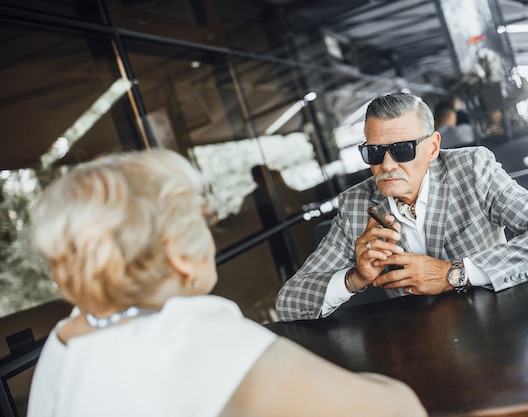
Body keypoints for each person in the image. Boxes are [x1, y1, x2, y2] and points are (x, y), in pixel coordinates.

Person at [27, 149, 427, 417]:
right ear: (178, 252)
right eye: (204, 219)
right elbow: (399, 410)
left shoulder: (67, 339)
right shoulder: (189, 335)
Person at [275, 93, 528, 322]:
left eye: (401, 149)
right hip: (419, 345)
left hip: (502, 323)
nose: (386, 165)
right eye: (374, 152)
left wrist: (453, 274)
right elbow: (288, 304)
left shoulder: (473, 169)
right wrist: (354, 278)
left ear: (433, 147)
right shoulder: (357, 206)